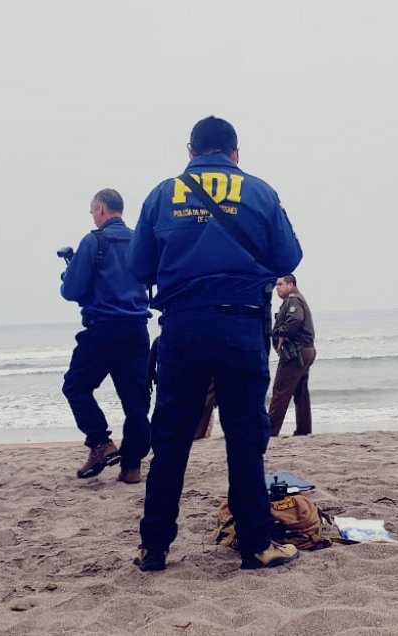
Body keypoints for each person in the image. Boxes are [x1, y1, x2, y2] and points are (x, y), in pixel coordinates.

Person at [128, 116, 303, 571]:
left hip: (183, 328)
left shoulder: (162, 194)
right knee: (245, 437)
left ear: (190, 152)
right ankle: (256, 546)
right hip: (241, 327)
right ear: (235, 154)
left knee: (170, 438)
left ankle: (154, 548)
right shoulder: (259, 191)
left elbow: (138, 269)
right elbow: (288, 257)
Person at [60, 188, 152, 483]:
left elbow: (72, 290)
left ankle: (100, 442)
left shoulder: (94, 240)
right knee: (136, 402)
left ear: (100, 209)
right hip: (137, 330)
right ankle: (132, 468)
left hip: (102, 328)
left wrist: (68, 274)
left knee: (75, 386)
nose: (92, 216)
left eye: (92, 211)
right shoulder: (141, 240)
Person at [268, 275, 317, 436]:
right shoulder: (295, 299)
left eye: (280, 284)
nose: (277, 288)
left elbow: (295, 319)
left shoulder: (293, 300)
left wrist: (282, 333)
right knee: (300, 391)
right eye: (276, 285)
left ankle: (270, 430)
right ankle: (304, 429)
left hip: (296, 352)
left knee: (280, 390)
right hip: (305, 350)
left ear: (291, 284)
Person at [148, 335, 217, 440]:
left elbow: (151, 362)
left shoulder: (159, 340)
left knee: (163, 408)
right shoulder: (187, 339)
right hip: (179, 381)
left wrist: (148, 379)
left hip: (165, 381)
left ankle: (159, 432)